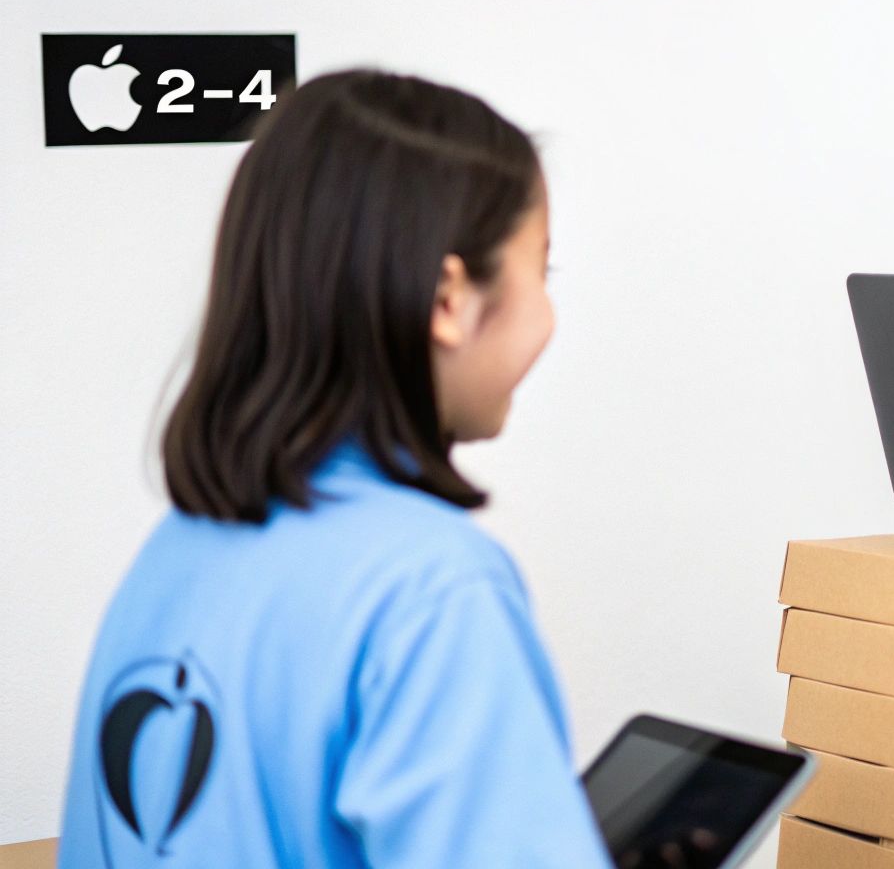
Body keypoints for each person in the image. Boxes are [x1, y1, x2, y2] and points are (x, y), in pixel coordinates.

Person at [57, 71, 613, 868]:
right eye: (542, 272)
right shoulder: (433, 591)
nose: (549, 311)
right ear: (449, 299)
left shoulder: (173, 555)